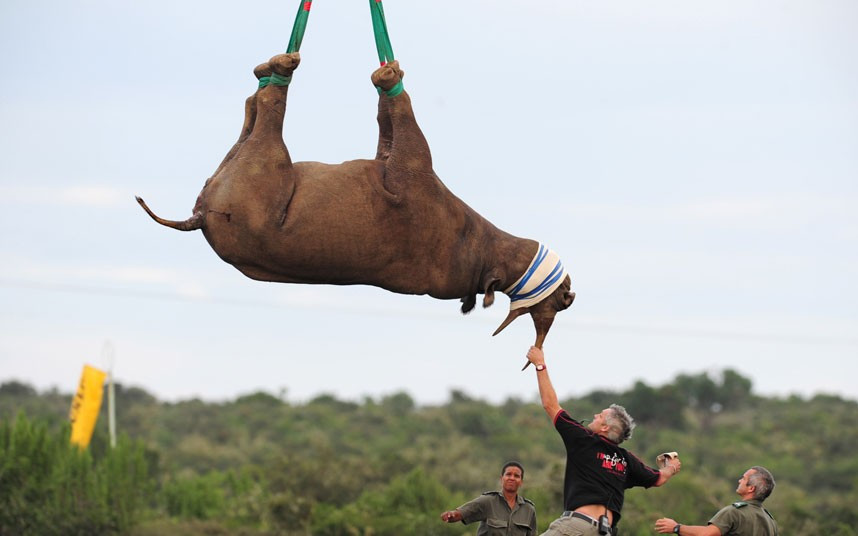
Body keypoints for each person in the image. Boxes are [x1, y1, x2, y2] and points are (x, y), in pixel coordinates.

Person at [525, 346, 681, 536]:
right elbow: (659, 478)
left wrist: (540, 364)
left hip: (576, 526)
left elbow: (550, 404)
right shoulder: (626, 460)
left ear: (606, 428)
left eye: (599, 416)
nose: (594, 415)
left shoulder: (584, 440)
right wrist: (671, 466)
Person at [654, 466, 779, 535]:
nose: (740, 480)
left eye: (744, 478)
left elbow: (707, 534)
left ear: (751, 488)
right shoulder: (771, 521)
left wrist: (676, 527)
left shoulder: (735, 512)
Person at [440, 460, 538, 535]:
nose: (512, 478)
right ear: (501, 479)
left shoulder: (529, 509)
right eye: (508, 474)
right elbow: (462, 513)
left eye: (516, 476)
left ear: (521, 482)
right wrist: (451, 515)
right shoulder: (488, 501)